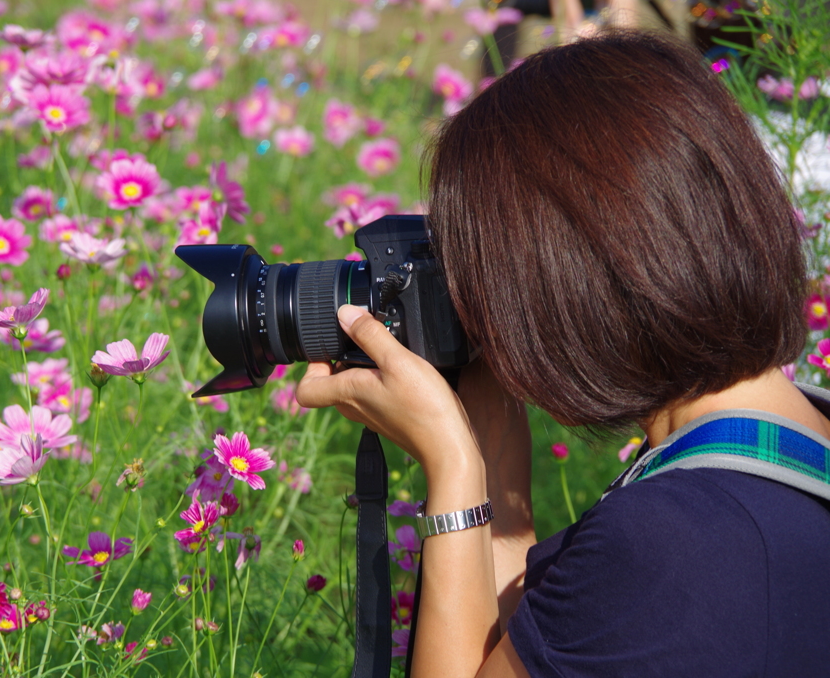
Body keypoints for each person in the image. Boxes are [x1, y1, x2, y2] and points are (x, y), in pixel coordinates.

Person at [295, 30, 830, 677]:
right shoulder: (775, 464)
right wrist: (489, 448)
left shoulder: (676, 539)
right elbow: (537, 649)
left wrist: (451, 463)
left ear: (560, 280)